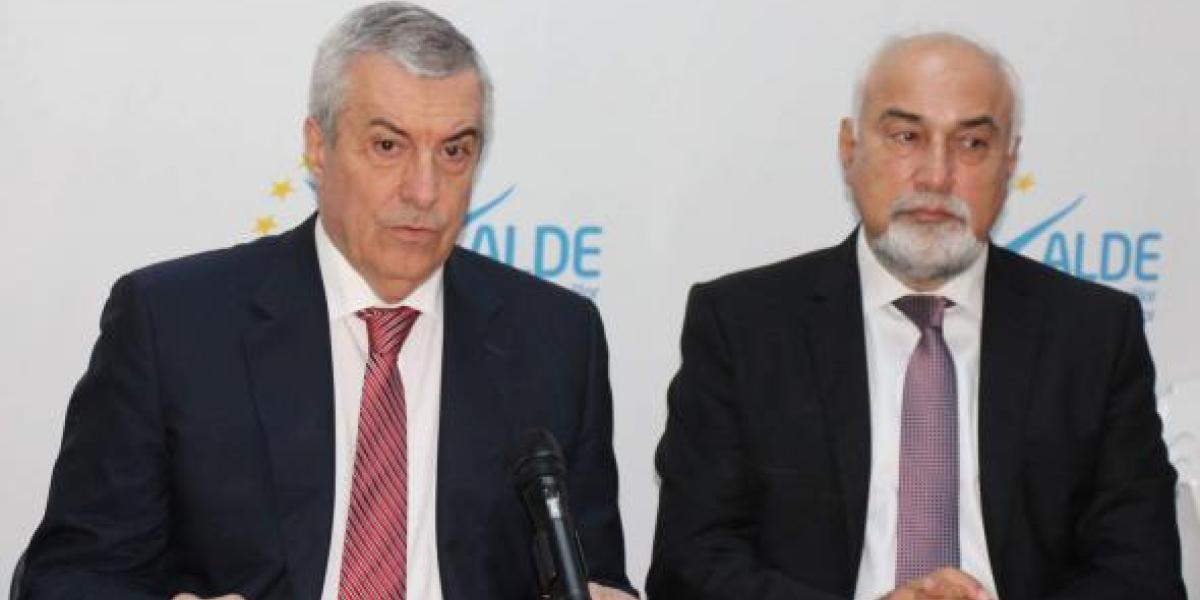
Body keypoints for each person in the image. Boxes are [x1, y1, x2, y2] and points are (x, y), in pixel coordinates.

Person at [18, 3, 636, 599]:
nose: (425, 191)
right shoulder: (173, 326)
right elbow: (66, 578)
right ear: (318, 147)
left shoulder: (557, 339)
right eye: (389, 146)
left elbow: (593, 575)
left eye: (454, 151)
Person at [646, 32, 1184, 600]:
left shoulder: (1093, 334)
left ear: (1009, 162)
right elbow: (692, 563)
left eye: (972, 143)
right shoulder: (743, 326)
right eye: (906, 137)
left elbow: (1141, 574)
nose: (936, 176)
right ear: (849, 148)